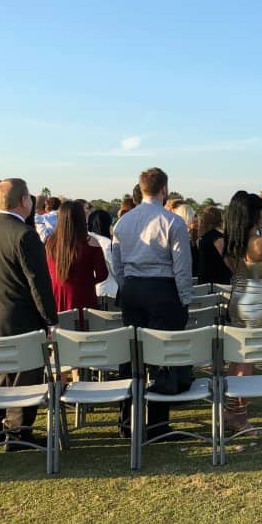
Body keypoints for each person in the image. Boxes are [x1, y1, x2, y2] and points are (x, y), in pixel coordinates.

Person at [0, 178, 58, 447]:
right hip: (23, 318)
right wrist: (50, 321)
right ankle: (18, 433)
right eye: (30, 198)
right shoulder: (25, 235)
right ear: (24, 201)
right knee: (25, 377)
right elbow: (38, 283)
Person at [111, 168, 193, 439]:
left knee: (132, 356)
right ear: (164, 190)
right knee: (161, 357)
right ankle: (157, 425)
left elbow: (116, 263)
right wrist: (184, 299)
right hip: (162, 290)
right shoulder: (172, 222)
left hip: (133, 288)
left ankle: (127, 423)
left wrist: (125, 287)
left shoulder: (123, 222)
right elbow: (182, 266)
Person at [224, 191, 262, 433]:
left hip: (237, 300)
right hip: (255, 305)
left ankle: (230, 411)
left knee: (236, 358)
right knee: (248, 361)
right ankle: (239, 416)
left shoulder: (233, 242)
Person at [45, 200, 109, 329]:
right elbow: (103, 275)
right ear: (81, 218)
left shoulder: (50, 243)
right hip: (84, 297)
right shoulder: (92, 243)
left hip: (57, 296)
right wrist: (87, 281)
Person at [87, 209, 119, 309]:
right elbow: (115, 269)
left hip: (93, 291)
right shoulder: (106, 243)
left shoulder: (86, 239)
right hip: (109, 293)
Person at [196, 206, 232, 285]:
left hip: (204, 283)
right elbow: (228, 261)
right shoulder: (217, 238)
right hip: (218, 284)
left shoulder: (201, 239)